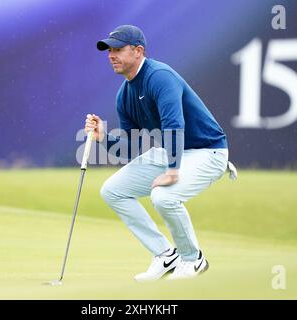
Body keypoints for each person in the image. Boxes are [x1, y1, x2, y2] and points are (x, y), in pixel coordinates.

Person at [84, 25, 237, 281]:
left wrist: (173, 171)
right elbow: (130, 148)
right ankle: (166, 255)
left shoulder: (160, 77)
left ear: (138, 51)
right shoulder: (124, 95)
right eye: (109, 50)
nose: (111, 55)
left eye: (118, 49)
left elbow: (174, 125)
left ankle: (193, 259)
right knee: (112, 190)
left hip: (208, 151)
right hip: (172, 152)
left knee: (163, 197)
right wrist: (103, 138)